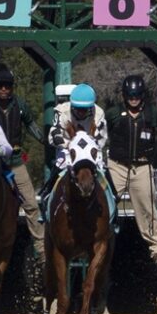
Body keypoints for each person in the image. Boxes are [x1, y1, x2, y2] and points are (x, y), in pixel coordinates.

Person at [106, 75, 157, 267]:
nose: (133, 98)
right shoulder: (114, 113)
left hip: (142, 166)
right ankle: (97, 240)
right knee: (105, 201)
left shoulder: (152, 113)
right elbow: (100, 129)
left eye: (136, 95)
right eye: (130, 95)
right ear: (124, 95)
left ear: (142, 95)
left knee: (148, 206)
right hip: (117, 165)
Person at [0, 63, 47, 257]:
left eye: (7, 85)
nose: (4, 89)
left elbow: (31, 124)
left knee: (31, 203)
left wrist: (45, 140)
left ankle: (41, 250)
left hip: (15, 162)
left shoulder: (20, 105)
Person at [42, 83, 112, 221]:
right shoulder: (61, 111)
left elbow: (101, 139)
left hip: (91, 152)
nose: (81, 112)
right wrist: (71, 146)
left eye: (85, 109)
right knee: (56, 172)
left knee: (104, 173)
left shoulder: (99, 113)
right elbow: (53, 135)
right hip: (67, 151)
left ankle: (112, 201)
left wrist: (86, 148)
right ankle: (46, 199)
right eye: (78, 109)